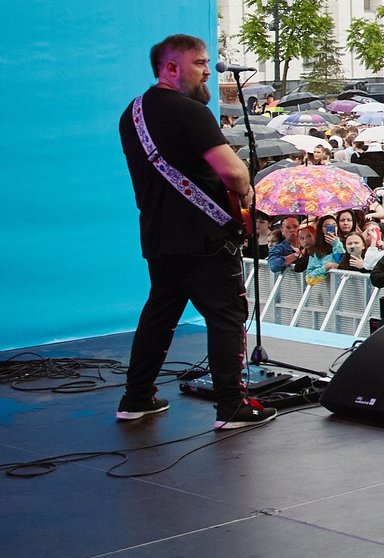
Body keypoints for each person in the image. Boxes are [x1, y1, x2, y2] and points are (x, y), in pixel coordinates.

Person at [116, 34, 272, 429]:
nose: (208, 71)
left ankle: (136, 399)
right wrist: (246, 190)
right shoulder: (190, 112)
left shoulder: (132, 113)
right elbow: (233, 172)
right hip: (204, 237)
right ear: (171, 67)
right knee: (226, 316)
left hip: (158, 234)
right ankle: (232, 406)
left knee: (159, 314)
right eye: (201, 63)